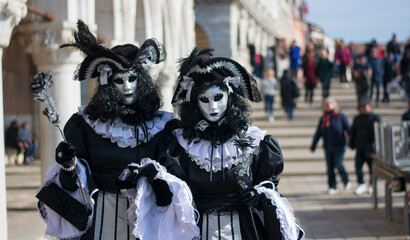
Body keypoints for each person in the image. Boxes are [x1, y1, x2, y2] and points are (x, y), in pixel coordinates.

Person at [35, 20, 175, 240]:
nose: (127, 87)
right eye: (119, 80)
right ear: (108, 82)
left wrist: (153, 175)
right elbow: (75, 186)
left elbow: (175, 181)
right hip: (101, 220)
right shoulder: (85, 126)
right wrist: (69, 166)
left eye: (133, 79)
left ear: (143, 81)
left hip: (147, 219)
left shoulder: (163, 127)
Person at [154, 48, 304, 239]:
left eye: (218, 97)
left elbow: (269, 185)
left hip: (244, 229)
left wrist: (257, 195)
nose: (213, 107)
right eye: (205, 100)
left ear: (229, 97)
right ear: (195, 103)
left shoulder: (255, 143)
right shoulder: (182, 144)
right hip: (199, 231)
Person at [310, 97, 351, 194]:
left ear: (334, 105)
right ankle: (332, 186)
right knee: (330, 167)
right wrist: (313, 145)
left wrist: (352, 142)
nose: (327, 106)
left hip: (339, 145)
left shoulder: (340, 115)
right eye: (326, 105)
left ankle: (346, 181)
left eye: (329, 104)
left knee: (338, 163)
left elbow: (349, 129)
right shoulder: (324, 118)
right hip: (328, 145)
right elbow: (318, 132)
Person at [349, 98, 381, 195]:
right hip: (360, 146)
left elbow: (379, 133)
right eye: (361, 107)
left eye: (365, 106)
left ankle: (372, 185)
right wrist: (351, 143)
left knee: (372, 168)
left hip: (371, 148)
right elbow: (353, 132)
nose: (363, 109)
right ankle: (361, 183)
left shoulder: (375, 118)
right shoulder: (357, 118)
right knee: (358, 166)